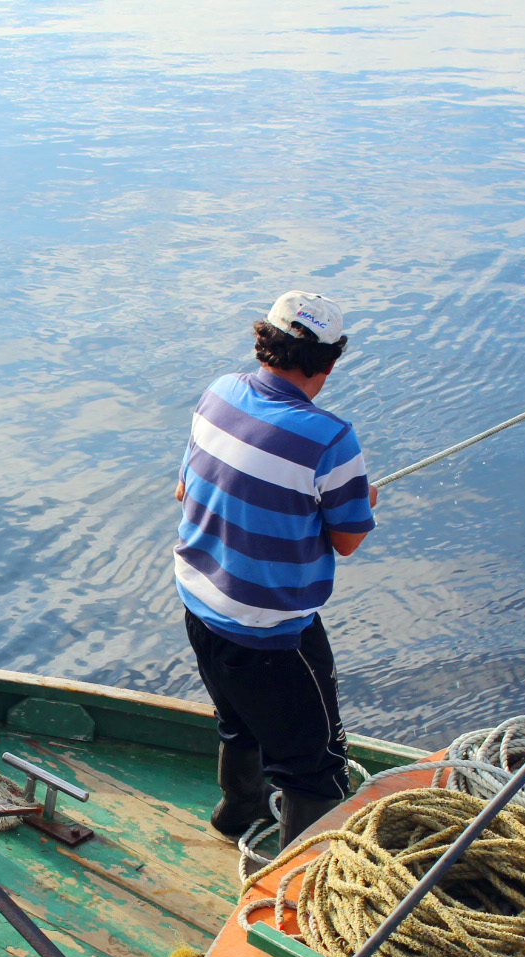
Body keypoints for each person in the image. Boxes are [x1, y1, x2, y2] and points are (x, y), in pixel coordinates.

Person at [173, 290, 376, 852]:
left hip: (199, 603)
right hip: (269, 632)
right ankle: (290, 887)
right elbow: (349, 538)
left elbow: (184, 489)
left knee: (239, 720)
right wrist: (363, 497)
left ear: (264, 339)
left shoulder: (219, 393)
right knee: (316, 768)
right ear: (331, 363)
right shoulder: (331, 437)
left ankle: (237, 813)